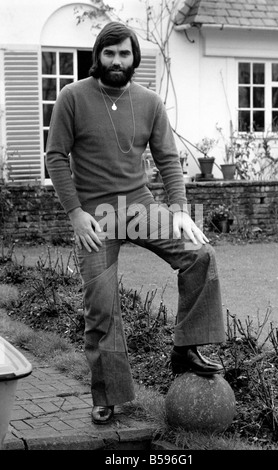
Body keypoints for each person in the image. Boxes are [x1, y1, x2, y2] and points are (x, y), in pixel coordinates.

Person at [46, 21, 225, 425]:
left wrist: (179, 210)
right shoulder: (71, 97)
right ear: (98, 55)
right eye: (109, 53)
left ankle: (188, 347)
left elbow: (168, 160)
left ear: (134, 58)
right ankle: (108, 395)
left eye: (124, 53)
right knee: (101, 306)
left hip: (141, 208)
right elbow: (55, 156)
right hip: (96, 218)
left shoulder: (149, 101)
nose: (116, 61)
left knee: (200, 254)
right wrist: (76, 214)